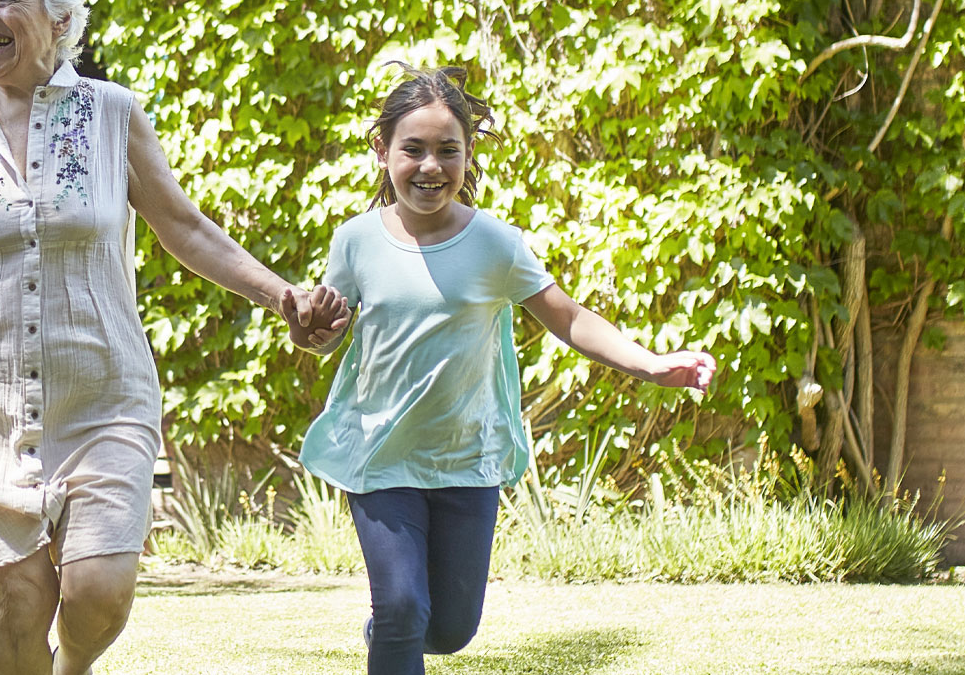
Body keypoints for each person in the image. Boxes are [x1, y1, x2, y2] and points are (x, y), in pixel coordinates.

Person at [0, 0, 343, 675]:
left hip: (101, 387)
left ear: (61, 20)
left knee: (100, 589)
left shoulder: (111, 114)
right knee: (14, 600)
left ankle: (72, 667)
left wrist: (283, 298)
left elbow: (184, 226)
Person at [285, 63, 716, 675]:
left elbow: (568, 319)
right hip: (379, 454)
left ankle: (389, 630)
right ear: (383, 151)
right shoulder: (356, 240)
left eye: (447, 151)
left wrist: (652, 365)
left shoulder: (495, 243)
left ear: (467, 157)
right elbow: (329, 332)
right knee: (405, 606)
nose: (430, 166)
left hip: (467, 458)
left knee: (451, 629)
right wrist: (312, 333)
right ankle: (394, 625)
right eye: (413, 149)